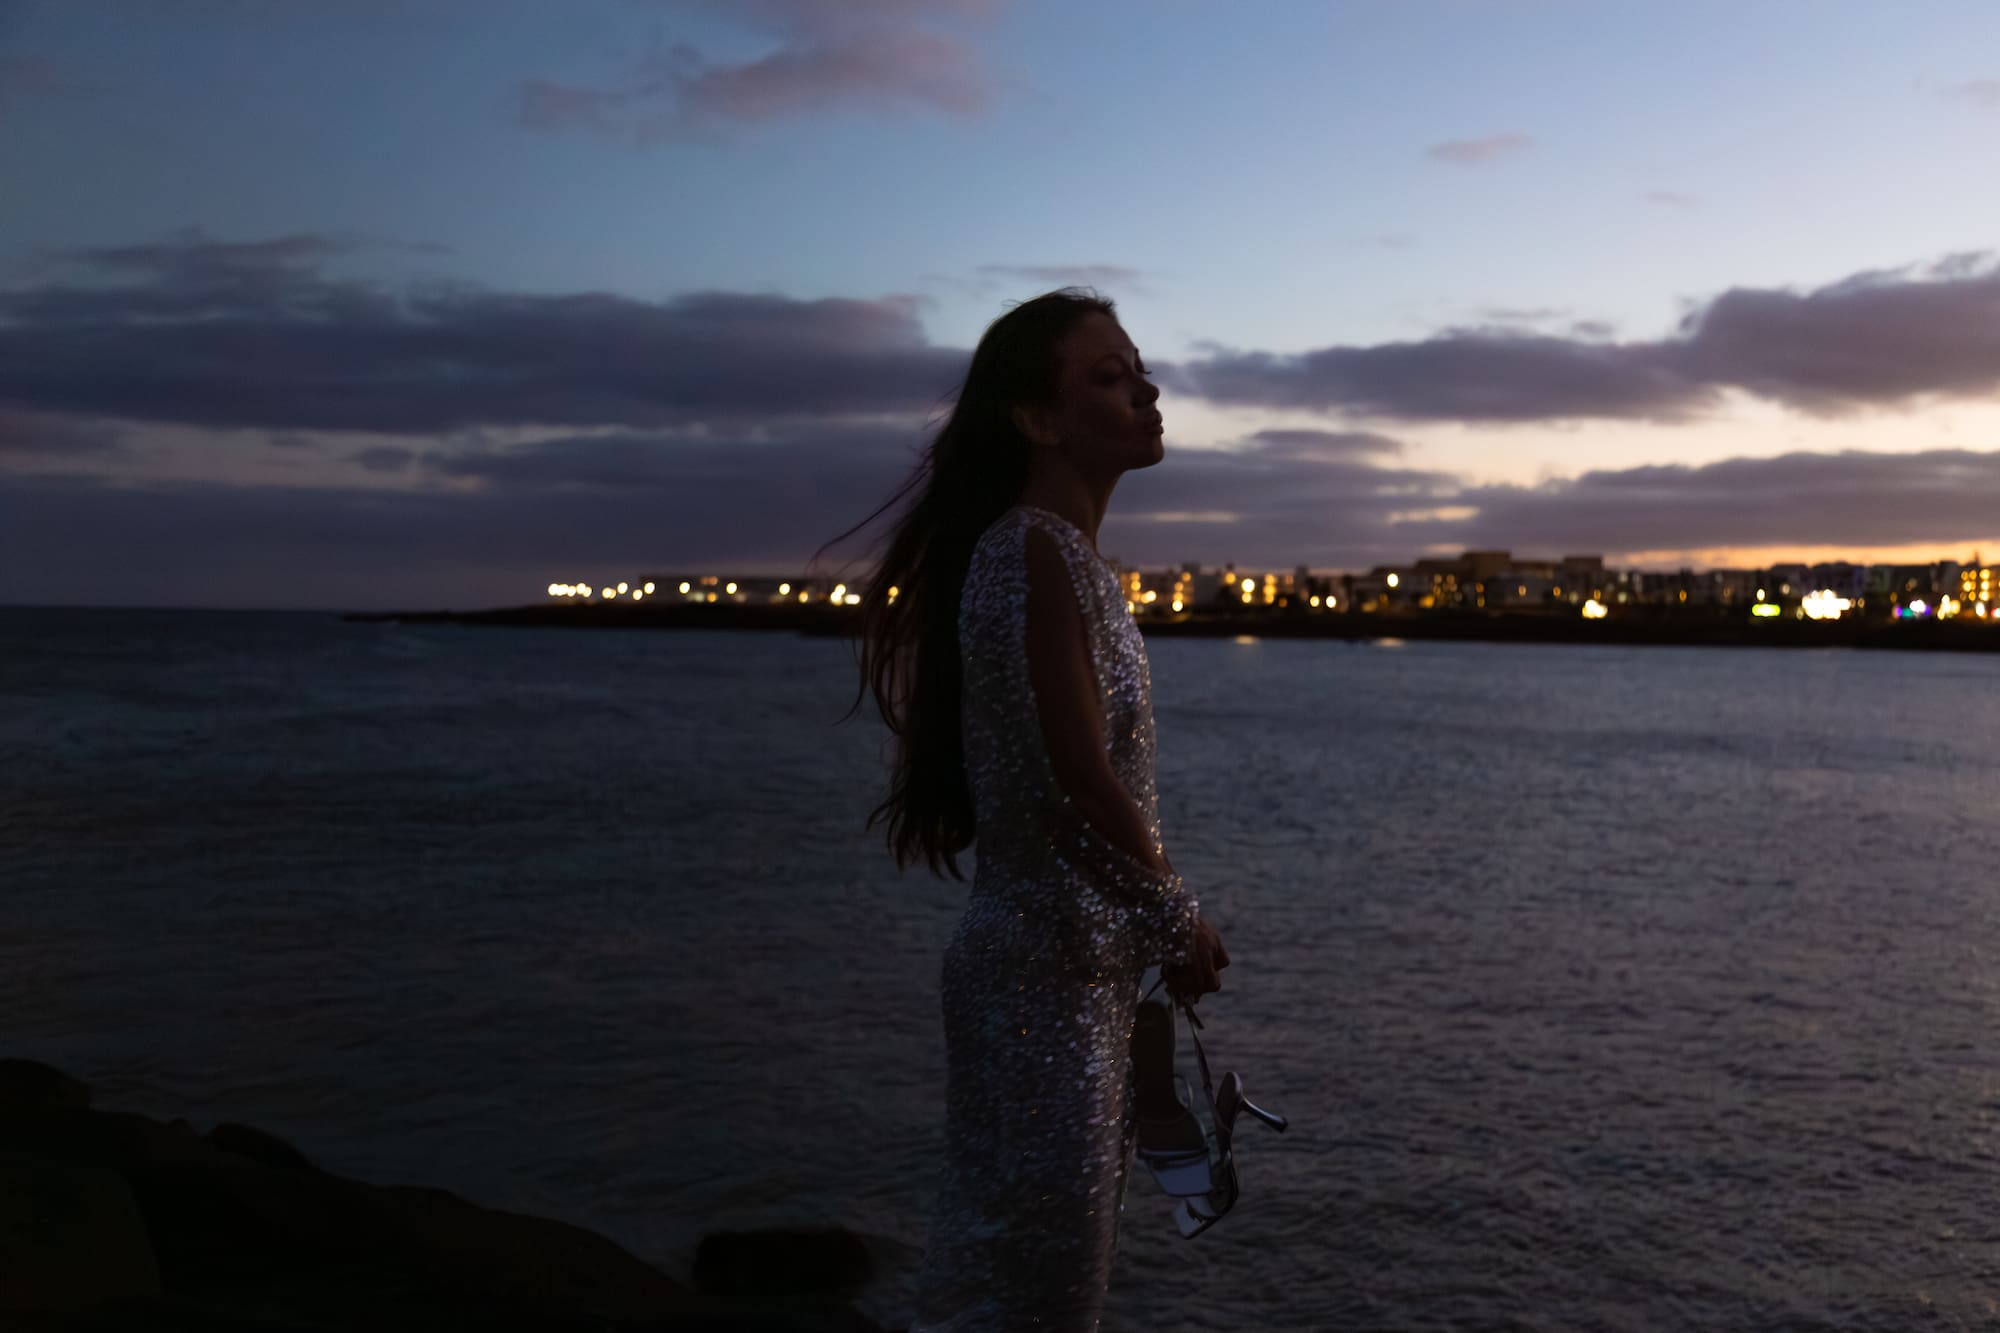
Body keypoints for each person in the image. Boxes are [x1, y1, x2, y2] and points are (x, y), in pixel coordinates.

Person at [838, 288, 1230, 1330]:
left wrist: (1148, 923)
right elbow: (1072, 776)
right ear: (1036, 418)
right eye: (1108, 374)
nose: (1145, 388)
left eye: (1139, 366)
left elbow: (1083, 776)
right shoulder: (1030, 550)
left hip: (1072, 975)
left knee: (1021, 1277)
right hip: (1039, 983)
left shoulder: (1070, 561)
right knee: (1023, 1287)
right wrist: (1174, 914)